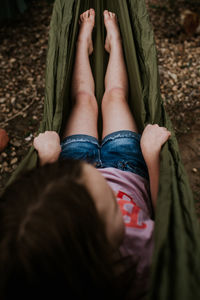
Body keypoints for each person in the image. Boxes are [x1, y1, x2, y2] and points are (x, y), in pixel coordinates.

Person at [0, 9, 171, 300]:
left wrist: (47, 162)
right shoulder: (143, 257)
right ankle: (115, 40)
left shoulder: (59, 233)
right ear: (98, 246)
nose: (104, 183)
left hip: (74, 163)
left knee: (84, 99)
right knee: (114, 95)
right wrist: (152, 158)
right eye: (113, 206)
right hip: (127, 164)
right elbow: (160, 209)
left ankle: (83, 44)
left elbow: (44, 194)